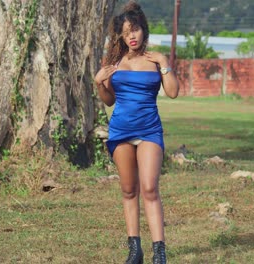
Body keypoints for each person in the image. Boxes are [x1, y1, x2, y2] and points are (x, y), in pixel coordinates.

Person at [94, 1, 179, 263]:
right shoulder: (113, 62)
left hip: (149, 129)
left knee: (150, 188)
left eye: (136, 29)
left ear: (144, 31)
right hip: (120, 130)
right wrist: (99, 83)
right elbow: (109, 100)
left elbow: (173, 92)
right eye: (127, 31)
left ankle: (159, 252)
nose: (132, 35)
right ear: (120, 34)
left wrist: (165, 63)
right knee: (129, 190)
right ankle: (135, 250)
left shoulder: (155, 60)